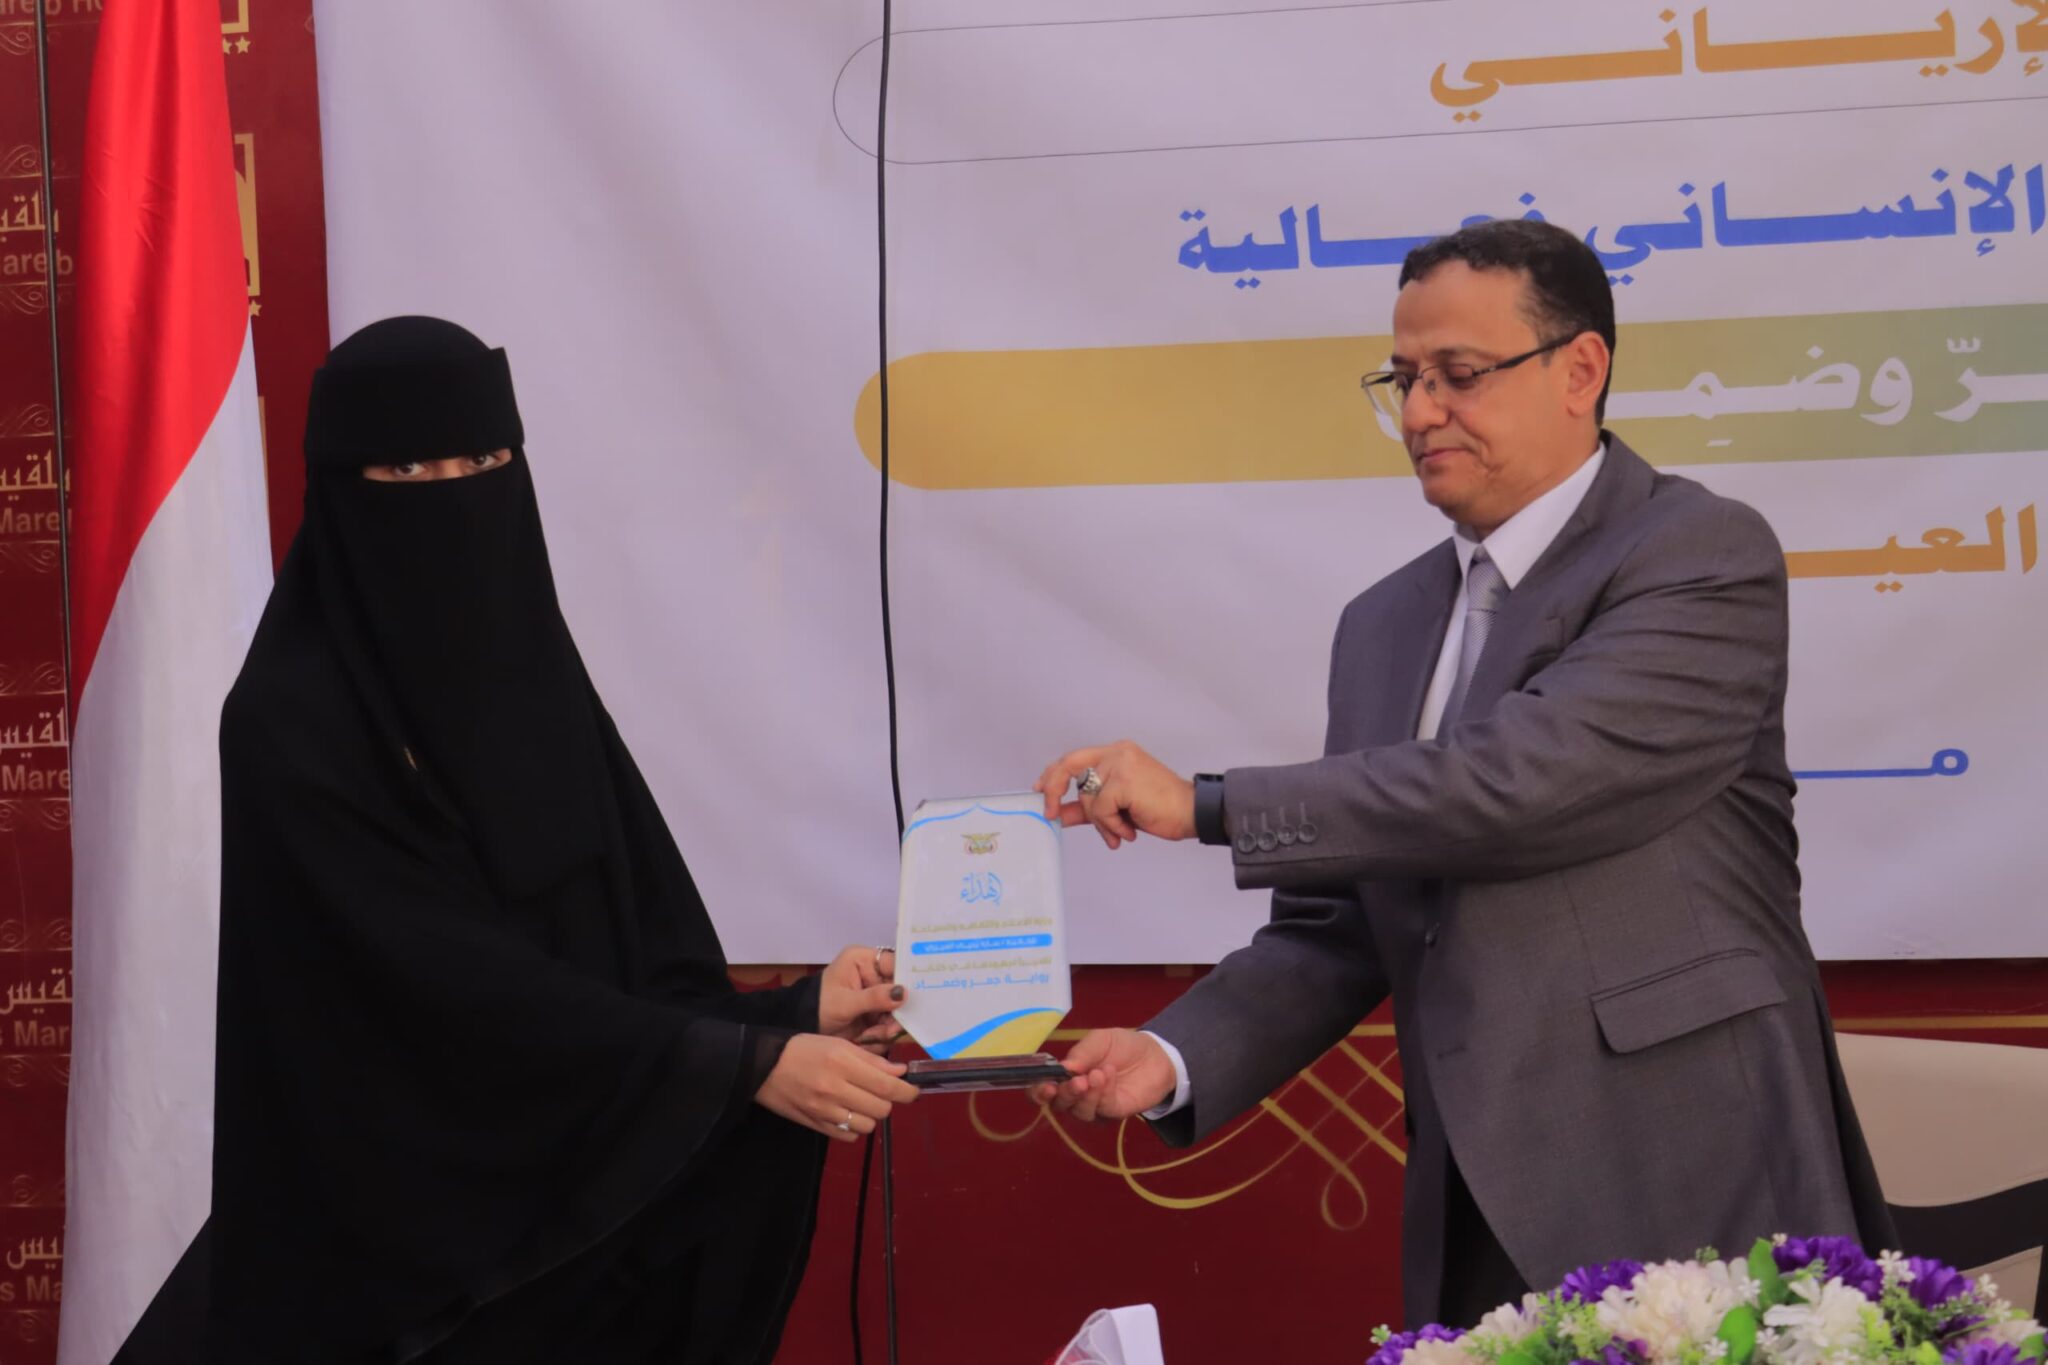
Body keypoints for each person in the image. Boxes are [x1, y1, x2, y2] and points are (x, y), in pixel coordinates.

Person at [1031, 221, 1894, 1329]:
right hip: (1473, 1185)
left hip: (1692, 1170)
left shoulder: (1698, 554)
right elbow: (1337, 921)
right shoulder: (1381, 624)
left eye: (1459, 374)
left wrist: (1205, 805)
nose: (1421, 412)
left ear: (1579, 370)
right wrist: (1173, 1052)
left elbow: (1519, 784)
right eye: (1403, 379)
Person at [119, 316, 916, 1364]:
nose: (455, 496)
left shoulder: (536, 691)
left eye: (485, 462)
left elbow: (627, 963)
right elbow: (442, 992)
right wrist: (736, 1065)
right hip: (391, 1269)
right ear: (340, 490)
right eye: (409, 470)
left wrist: (787, 1017)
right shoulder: (290, 721)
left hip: (570, 1245)